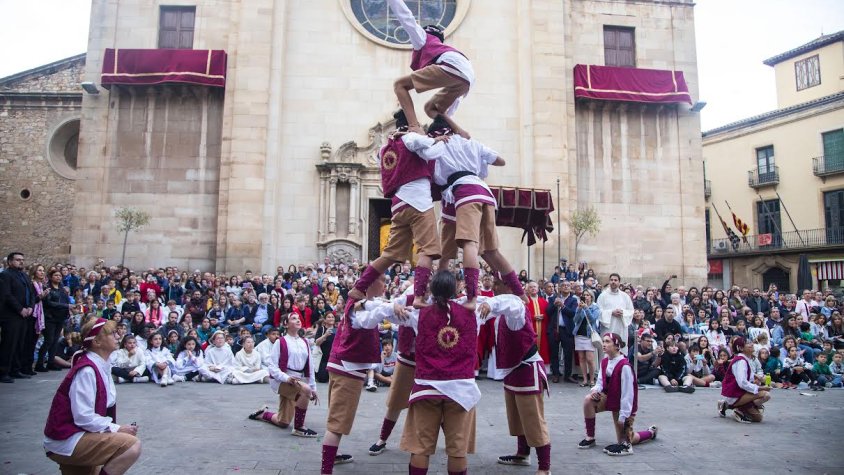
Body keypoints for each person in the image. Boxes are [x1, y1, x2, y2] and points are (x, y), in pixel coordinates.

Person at [413, 116, 525, 304]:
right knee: (491, 251)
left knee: (463, 248)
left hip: (462, 193)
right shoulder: (470, 143)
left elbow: (429, 174)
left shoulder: (437, 145)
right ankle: (520, 294)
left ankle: (470, 297)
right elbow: (500, 161)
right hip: (484, 194)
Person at [347, 110, 442, 310]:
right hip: (420, 202)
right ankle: (418, 296)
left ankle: (359, 287)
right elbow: (431, 149)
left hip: (398, 204)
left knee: (390, 254)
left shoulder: (385, 148)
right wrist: (439, 139)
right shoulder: (411, 138)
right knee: (428, 250)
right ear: (410, 124)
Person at [43, 318, 142, 474]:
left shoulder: (101, 364)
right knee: (132, 446)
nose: (118, 336)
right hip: (68, 438)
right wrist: (117, 428)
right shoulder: (88, 370)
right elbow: (83, 417)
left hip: (77, 435)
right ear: (97, 342)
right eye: (112, 333)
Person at [320, 275, 387, 475]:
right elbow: (377, 313)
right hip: (347, 369)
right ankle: (326, 469)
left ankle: (332, 455)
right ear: (371, 283)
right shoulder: (360, 306)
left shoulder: (363, 303)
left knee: (336, 419)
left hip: (342, 366)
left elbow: (380, 308)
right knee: (337, 422)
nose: (385, 284)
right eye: (382, 280)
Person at [387, 0, 474, 137]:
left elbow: (406, 17)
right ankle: (459, 132)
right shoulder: (445, 49)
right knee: (431, 108)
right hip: (467, 78)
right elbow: (455, 96)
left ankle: (414, 126)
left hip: (452, 67)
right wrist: (447, 125)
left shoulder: (423, 37)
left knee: (399, 84)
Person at [579, 333, 657, 456]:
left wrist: (624, 415)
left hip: (623, 403)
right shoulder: (604, 361)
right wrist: (595, 391)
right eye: (603, 341)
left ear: (617, 346)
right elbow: (600, 382)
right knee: (588, 400)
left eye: (608, 342)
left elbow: (628, 393)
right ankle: (590, 437)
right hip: (610, 397)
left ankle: (650, 433)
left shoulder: (624, 365)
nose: (604, 344)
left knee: (627, 440)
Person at [250, 313, 320, 437]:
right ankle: (299, 427)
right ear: (286, 324)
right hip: (282, 380)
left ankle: (262, 414)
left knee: (283, 422)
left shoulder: (305, 342)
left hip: (298, 379)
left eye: (299, 318)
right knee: (305, 390)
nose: (298, 320)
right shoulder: (280, 342)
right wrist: (287, 378)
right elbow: (272, 367)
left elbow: (310, 367)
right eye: (294, 318)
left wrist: (313, 387)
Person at [718, 337, 772, 423]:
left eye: (751, 343)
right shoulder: (741, 361)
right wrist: (760, 388)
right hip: (735, 394)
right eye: (748, 343)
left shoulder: (745, 359)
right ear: (741, 348)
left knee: (758, 418)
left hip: (738, 393)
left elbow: (744, 376)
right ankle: (738, 410)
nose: (751, 344)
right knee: (766, 395)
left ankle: (730, 406)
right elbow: (742, 383)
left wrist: (756, 377)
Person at [0, 252, 35, 382]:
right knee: (9, 344)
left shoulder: (25, 276)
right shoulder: (5, 275)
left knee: (20, 343)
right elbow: (7, 295)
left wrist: (31, 307)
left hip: (25, 314)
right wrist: (20, 309)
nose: (21, 262)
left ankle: (15, 370)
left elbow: (31, 293)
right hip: (11, 315)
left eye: (22, 259)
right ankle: (3, 372)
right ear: (10, 262)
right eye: (17, 260)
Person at [38, 268, 72, 372]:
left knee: (55, 341)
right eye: (56, 275)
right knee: (48, 340)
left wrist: (69, 310)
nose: (58, 277)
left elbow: (66, 302)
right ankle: (39, 364)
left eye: (60, 276)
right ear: (51, 277)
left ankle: (51, 362)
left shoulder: (62, 289)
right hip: (50, 318)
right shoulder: (47, 288)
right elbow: (48, 303)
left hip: (60, 318)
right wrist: (66, 305)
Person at [548, 281, 579, 384]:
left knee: (568, 353)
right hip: (554, 329)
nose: (566, 287)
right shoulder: (553, 298)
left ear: (570, 288)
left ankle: (567, 375)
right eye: (563, 285)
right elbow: (548, 312)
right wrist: (554, 304)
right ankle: (556, 374)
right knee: (554, 352)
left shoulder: (573, 300)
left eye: (568, 286)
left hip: (567, 330)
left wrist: (562, 306)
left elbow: (572, 313)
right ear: (560, 288)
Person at [596, 274, 634, 346]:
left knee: (620, 347)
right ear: (609, 281)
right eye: (611, 280)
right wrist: (611, 312)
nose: (613, 282)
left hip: (621, 327)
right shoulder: (603, 296)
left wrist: (623, 312)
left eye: (615, 280)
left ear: (619, 282)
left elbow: (631, 311)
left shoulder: (625, 296)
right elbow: (598, 311)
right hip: (608, 327)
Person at [573, 290, 600, 387]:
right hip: (579, 334)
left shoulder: (595, 307)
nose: (586, 297)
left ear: (591, 297)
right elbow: (575, 320)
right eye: (584, 295)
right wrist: (579, 309)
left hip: (589, 335)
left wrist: (586, 308)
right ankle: (584, 379)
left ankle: (592, 379)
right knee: (581, 358)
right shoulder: (579, 306)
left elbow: (593, 319)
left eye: (588, 295)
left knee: (590, 359)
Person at [525, 282, 550, 365]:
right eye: (531, 287)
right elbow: (523, 316)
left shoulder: (544, 302)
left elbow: (549, 315)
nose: (533, 288)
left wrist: (544, 316)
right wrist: (533, 317)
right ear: (528, 290)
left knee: (544, 348)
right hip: (530, 331)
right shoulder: (525, 302)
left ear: (538, 288)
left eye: (534, 287)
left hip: (543, 329)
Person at [313, 313, 336, 383]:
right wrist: (325, 335)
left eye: (332, 317)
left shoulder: (337, 330)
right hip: (323, 359)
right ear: (325, 320)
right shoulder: (321, 329)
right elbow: (317, 343)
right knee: (322, 379)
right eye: (329, 317)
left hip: (333, 359)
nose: (331, 318)